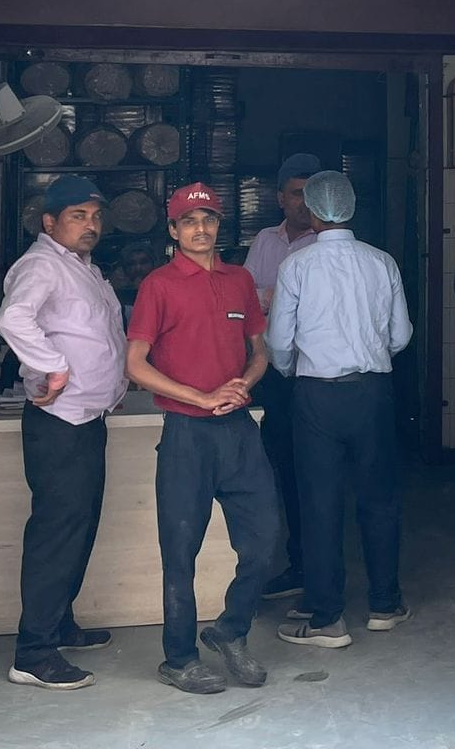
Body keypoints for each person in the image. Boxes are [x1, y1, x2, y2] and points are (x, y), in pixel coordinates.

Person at [126, 182, 280, 695]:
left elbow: (261, 351)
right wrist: (199, 396)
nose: (200, 229)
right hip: (186, 434)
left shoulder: (240, 280)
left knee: (264, 540)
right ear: (173, 230)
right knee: (180, 550)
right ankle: (179, 658)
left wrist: (243, 384)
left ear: (218, 226)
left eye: (208, 219)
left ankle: (230, 630)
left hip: (238, 431)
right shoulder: (159, 285)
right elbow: (135, 364)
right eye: (189, 221)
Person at [266, 170, 414, 649]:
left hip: (317, 396)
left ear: (311, 213)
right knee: (379, 498)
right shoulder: (382, 262)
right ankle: (385, 604)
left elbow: (278, 341)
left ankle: (327, 616)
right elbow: (400, 335)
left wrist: (292, 370)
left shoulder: (296, 266)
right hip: (372, 392)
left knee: (319, 502)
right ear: (351, 209)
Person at [0, 175, 127, 691]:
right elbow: (13, 318)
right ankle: (34, 652)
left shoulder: (83, 268)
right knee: (57, 533)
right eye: (78, 216)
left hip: (88, 418)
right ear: (49, 222)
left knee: (80, 526)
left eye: (95, 216)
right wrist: (53, 366)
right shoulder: (42, 265)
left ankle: (59, 622)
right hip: (60, 422)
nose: (90, 225)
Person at [242, 152, 322, 601]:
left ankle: (312, 567)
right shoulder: (265, 241)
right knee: (280, 469)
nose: (303, 203)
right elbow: (244, 295)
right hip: (273, 371)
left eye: (310, 194)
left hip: (312, 372)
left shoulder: (325, 244)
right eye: (295, 194)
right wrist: (277, 295)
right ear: (279, 198)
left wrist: (272, 297)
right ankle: (296, 564)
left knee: (313, 472)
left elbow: (316, 305)